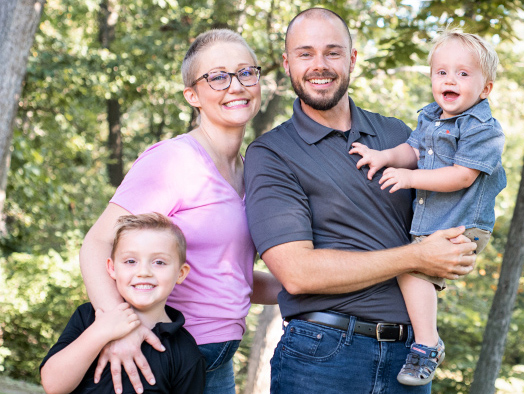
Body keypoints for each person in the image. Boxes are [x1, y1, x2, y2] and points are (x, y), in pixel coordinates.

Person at [244, 8, 478, 393]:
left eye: (333, 52)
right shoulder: (272, 153)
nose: (320, 65)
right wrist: (417, 257)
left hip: (411, 357)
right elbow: (297, 273)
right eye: (305, 54)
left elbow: (441, 213)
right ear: (287, 64)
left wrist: (458, 243)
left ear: (352, 59)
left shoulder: (399, 135)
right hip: (323, 357)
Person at [79, 29, 280, 394]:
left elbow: (231, 276)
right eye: (217, 77)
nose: (235, 86)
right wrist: (118, 329)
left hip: (218, 359)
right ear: (193, 96)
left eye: (246, 72)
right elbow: (96, 245)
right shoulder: (173, 161)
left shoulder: (251, 173)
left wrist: (315, 286)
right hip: (163, 353)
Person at [348, 27, 507, 385]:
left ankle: (426, 343)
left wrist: (409, 179)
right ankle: (425, 339)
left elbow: (462, 177)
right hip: (435, 219)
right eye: (442, 72)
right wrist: (383, 157)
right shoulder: (431, 117)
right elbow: (413, 150)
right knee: (409, 266)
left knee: (411, 268)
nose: (450, 79)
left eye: (463, 74)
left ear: (485, 89)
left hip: (463, 223)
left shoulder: (485, 129)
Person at [41, 213, 205, 394]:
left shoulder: (185, 352)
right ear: (112, 268)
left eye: (159, 262)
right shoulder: (89, 316)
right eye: (131, 261)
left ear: (181, 273)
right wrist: (101, 331)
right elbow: (52, 385)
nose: (144, 272)